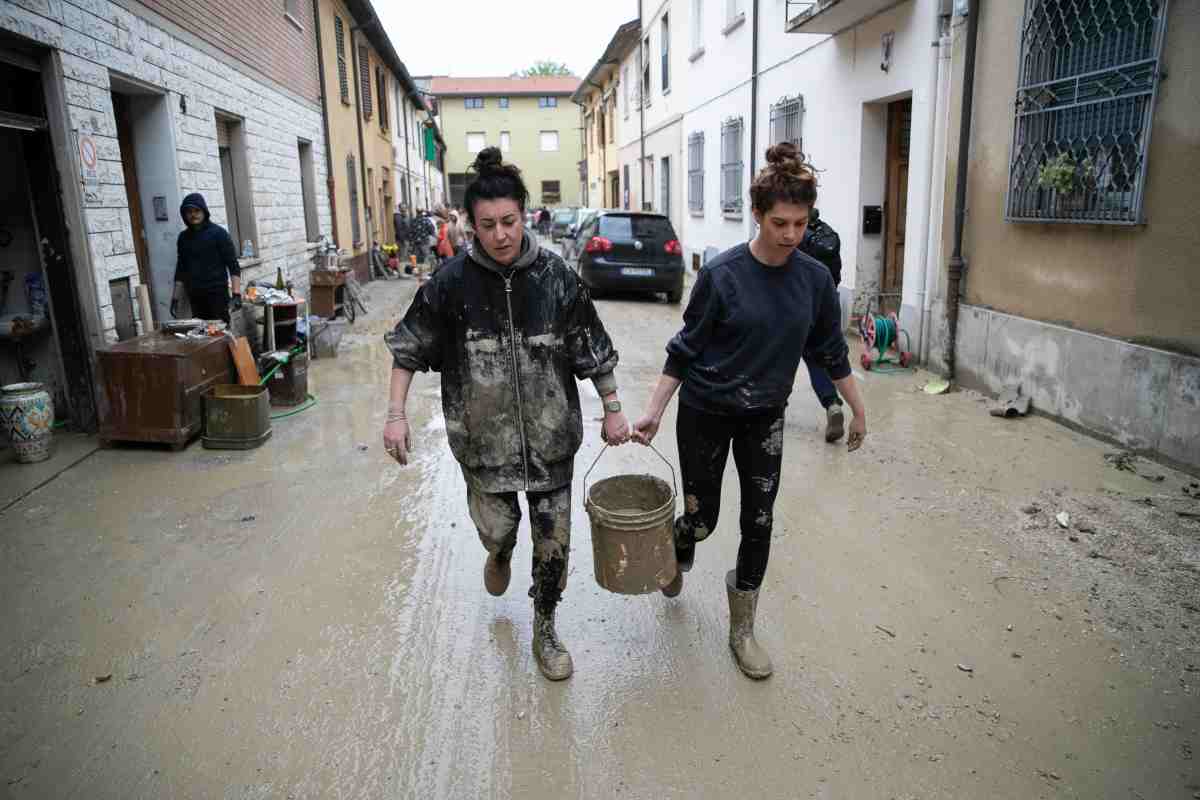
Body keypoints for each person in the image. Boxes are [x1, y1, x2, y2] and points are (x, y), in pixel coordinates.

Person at [383, 147, 631, 682]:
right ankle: (498, 553)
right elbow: (407, 349)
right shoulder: (449, 284)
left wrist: (613, 409)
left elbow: (592, 348)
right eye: (488, 225)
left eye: (510, 222)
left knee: (554, 544)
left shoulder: (557, 277)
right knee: (499, 531)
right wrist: (395, 414)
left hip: (551, 442)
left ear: (525, 215)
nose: (501, 235)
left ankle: (545, 624)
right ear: (471, 226)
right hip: (483, 444)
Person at [631, 142, 867, 680]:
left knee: (758, 521)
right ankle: (679, 544)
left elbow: (830, 351)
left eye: (800, 224)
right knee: (704, 517)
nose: (789, 234)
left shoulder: (814, 280)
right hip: (705, 411)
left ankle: (742, 628)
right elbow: (683, 349)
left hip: (765, 415)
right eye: (779, 222)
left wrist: (857, 409)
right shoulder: (722, 275)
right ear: (757, 215)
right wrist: (653, 411)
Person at [797, 208, 846, 442]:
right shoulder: (829, 235)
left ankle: (773, 406)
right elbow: (837, 273)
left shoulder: (794, 236)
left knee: (776, 355)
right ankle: (831, 403)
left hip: (797, 304)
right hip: (827, 303)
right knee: (818, 360)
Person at [170, 193, 241, 323]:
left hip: (217, 294)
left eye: (197, 210)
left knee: (220, 333)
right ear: (184, 215)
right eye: (189, 211)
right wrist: (175, 298)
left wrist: (236, 294)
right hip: (195, 296)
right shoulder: (183, 238)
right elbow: (181, 269)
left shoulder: (219, 233)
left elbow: (233, 265)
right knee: (201, 333)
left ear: (204, 211)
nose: (193, 214)